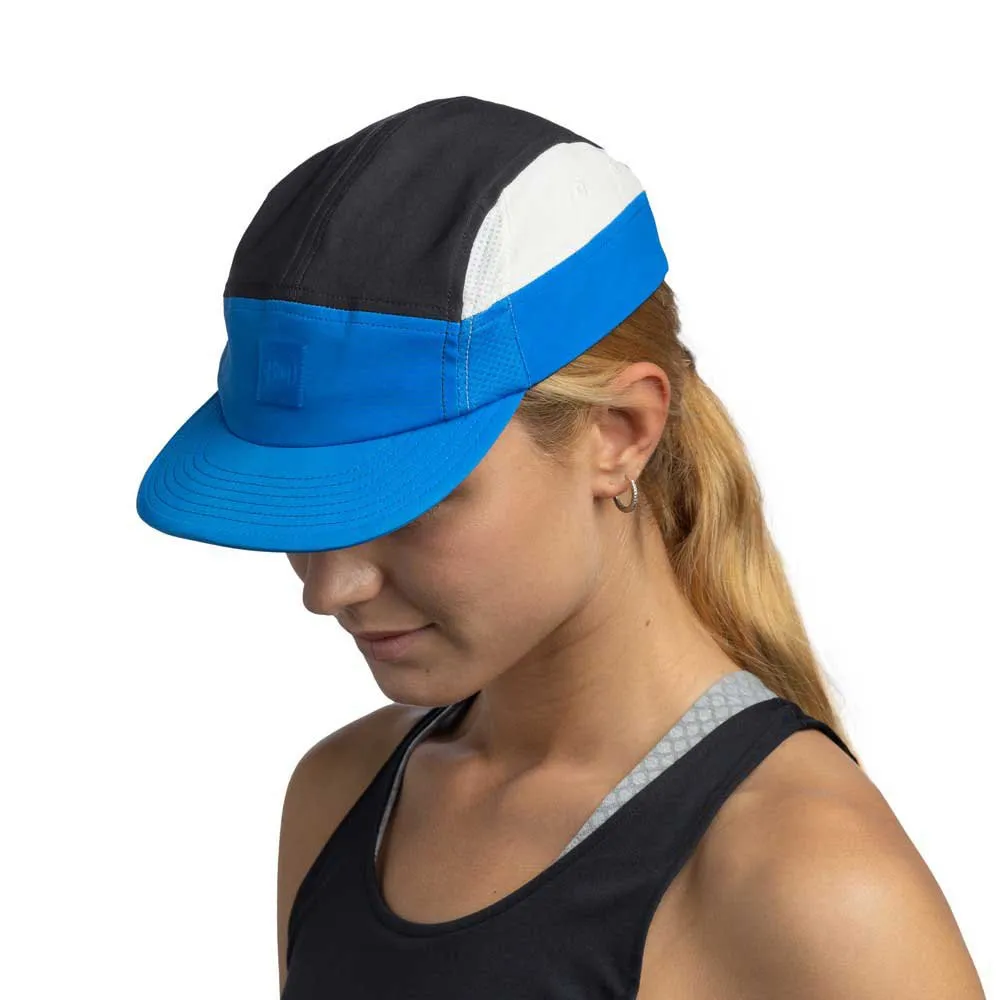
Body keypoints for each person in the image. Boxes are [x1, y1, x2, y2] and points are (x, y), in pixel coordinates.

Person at [136, 96, 986, 998]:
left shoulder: (808, 882)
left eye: (410, 500)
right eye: (305, 508)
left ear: (619, 433)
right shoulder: (344, 796)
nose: (329, 587)